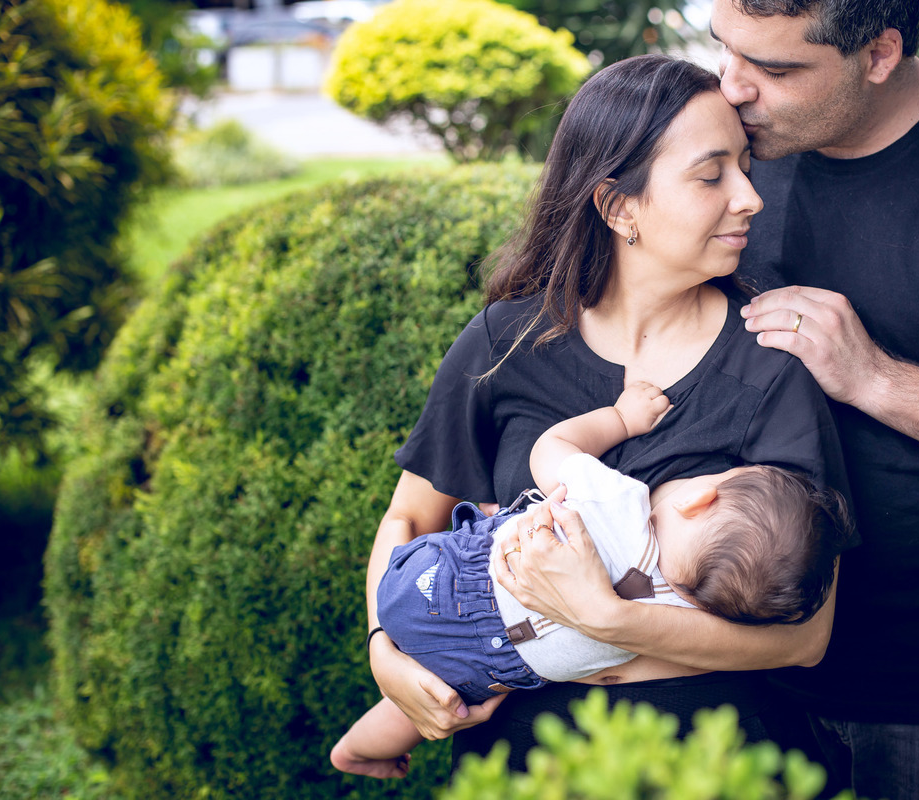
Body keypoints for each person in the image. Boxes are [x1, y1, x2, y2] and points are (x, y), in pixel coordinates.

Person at [498, 1, 919, 798]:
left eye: (775, 68)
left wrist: (878, 378)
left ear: (878, 54)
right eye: (725, 49)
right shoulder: (723, 154)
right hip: (721, 664)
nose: (733, 87)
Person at [362, 53, 853, 772]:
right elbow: (409, 519)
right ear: (619, 207)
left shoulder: (770, 361)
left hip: (715, 766)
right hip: (528, 768)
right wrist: (384, 651)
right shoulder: (507, 342)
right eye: (712, 175)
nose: (750, 197)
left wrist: (608, 619)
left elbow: (806, 637)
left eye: (746, 167)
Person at [332, 381, 849, 778]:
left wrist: (621, 418)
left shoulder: (621, 504)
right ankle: (358, 750)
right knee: (443, 693)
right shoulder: (680, 617)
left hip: (442, 584)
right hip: (493, 667)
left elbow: (549, 448)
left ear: (700, 497)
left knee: (501, 525)